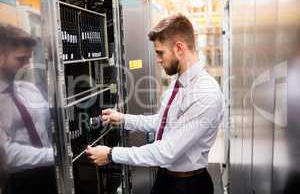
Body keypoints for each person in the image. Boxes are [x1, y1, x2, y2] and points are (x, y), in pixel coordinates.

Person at [85, 14, 224, 194]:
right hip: (166, 178)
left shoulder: (205, 93)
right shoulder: (179, 82)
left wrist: (111, 154)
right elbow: (163, 123)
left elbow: (167, 151)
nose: (157, 59)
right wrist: (124, 119)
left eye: (160, 52)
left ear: (179, 48)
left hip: (188, 185)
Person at [0, 24, 56, 194]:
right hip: (21, 182)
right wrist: (55, 155)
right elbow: (7, 155)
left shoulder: (27, 88)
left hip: (51, 172)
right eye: (20, 59)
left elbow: (52, 122)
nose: (26, 65)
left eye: (29, 59)